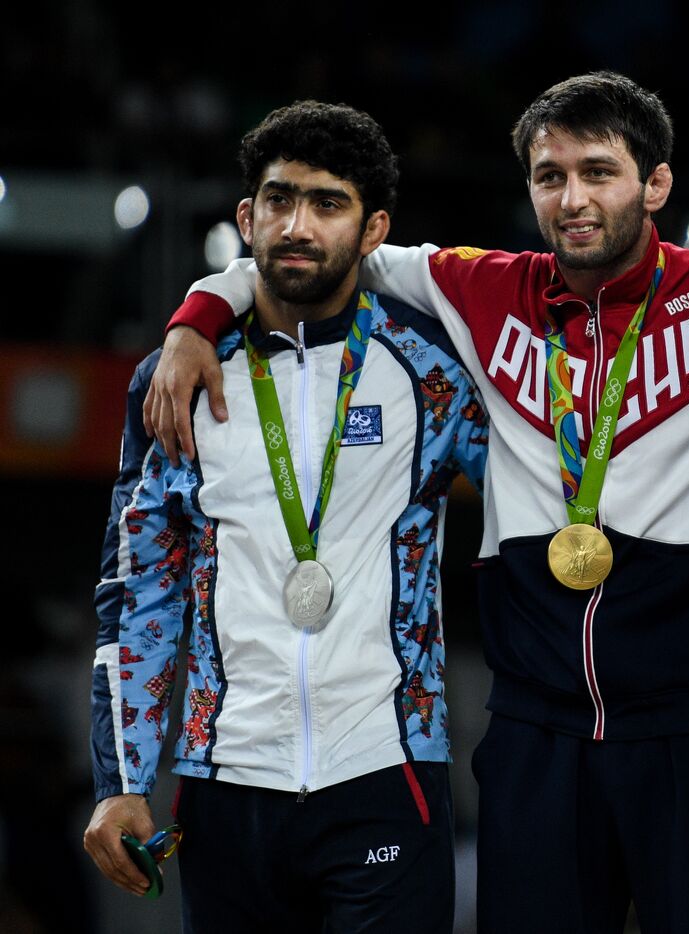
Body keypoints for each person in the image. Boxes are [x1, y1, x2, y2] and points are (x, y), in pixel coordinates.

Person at [144, 73, 689, 932]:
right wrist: (196, 317)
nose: (573, 198)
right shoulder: (478, 288)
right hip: (536, 735)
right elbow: (307, 248)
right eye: (550, 175)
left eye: (599, 172)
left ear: (657, 184)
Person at [84, 101, 488, 932]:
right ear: (246, 216)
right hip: (228, 784)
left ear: (374, 228)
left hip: (387, 773)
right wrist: (122, 780)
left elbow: (546, 500)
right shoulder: (176, 384)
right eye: (278, 200)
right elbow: (139, 595)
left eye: (327, 203)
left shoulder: (434, 379)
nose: (296, 225)